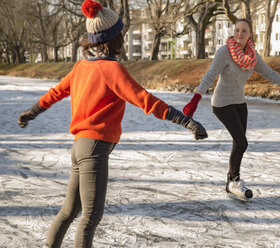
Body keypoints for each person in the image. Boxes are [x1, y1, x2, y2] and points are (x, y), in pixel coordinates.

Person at [17, 0, 207, 247]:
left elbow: (55, 93)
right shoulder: (111, 69)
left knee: (68, 212)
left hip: (79, 148)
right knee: (90, 217)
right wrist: (187, 121)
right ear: (114, 37)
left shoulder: (81, 67)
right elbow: (144, 100)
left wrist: (32, 112)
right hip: (94, 148)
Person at [183, 19, 280, 201]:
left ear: (250, 34)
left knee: (239, 143)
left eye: (243, 31)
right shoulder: (224, 52)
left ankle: (231, 183)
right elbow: (210, 75)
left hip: (239, 103)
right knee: (242, 142)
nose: (239, 33)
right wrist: (196, 98)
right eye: (237, 30)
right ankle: (234, 181)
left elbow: (271, 74)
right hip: (222, 104)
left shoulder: (253, 57)